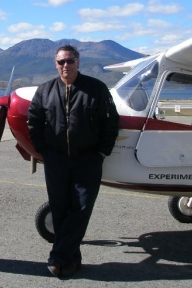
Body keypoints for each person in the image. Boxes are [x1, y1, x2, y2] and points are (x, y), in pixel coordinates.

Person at [28, 44, 119, 278]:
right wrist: (43, 151)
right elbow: (34, 121)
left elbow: (111, 122)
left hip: (88, 159)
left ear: (78, 62)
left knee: (81, 209)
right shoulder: (45, 90)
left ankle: (57, 257)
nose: (65, 65)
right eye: (61, 61)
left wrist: (101, 153)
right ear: (55, 64)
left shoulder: (96, 88)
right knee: (59, 210)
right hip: (56, 159)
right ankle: (71, 260)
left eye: (70, 60)